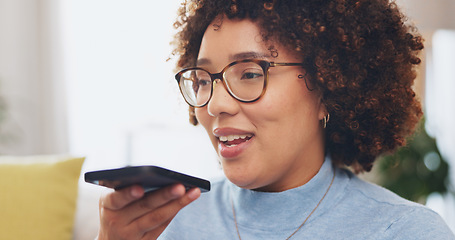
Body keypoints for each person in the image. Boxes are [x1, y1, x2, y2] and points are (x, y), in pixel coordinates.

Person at [97, 0, 455, 239]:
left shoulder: (403, 231)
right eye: (204, 80)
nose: (216, 104)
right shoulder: (169, 220)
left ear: (327, 87)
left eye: (251, 74)